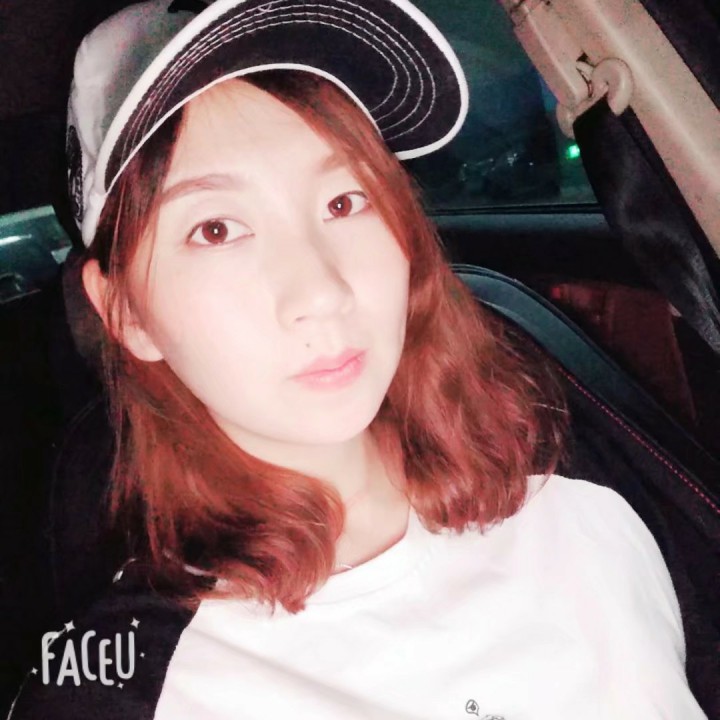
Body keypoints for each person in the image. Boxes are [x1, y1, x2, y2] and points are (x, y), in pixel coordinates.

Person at [7, 0, 706, 718]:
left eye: (344, 202)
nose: (322, 291)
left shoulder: (584, 494)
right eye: (216, 229)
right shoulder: (130, 689)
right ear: (126, 312)